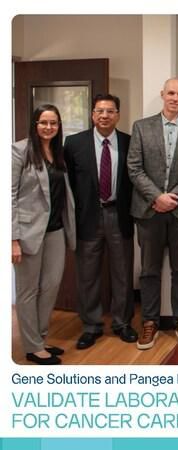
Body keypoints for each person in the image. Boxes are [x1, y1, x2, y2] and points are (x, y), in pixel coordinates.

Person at [127, 78, 178, 350]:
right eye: (171, 93)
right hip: (148, 210)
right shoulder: (141, 127)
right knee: (149, 270)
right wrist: (156, 197)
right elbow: (134, 167)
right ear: (162, 94)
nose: (175, 98)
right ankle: (150, 321)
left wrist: (172, 197)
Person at [64, 94, 136, 349]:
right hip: (88, 217)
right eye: (100, 111)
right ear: (92, 114)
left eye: (110, 111)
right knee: (87, 275)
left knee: (123, 273)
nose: (104, 115)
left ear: (118, 115)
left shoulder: (129, 142)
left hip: (119, 215)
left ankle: (122, 323)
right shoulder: (74, 143)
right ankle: (91, 326)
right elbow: (69, 184)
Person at [12, 104, 76, 365]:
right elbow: (8, 197)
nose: (48, 127)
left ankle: (40, 338)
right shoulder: (19, 151)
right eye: (43, 122)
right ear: (35, 124)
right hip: (28, 232)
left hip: (55, 231)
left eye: (53, 123)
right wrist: (12, 239)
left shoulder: (58, 153)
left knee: (50, 287)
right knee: (28, 291)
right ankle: (32, 347)